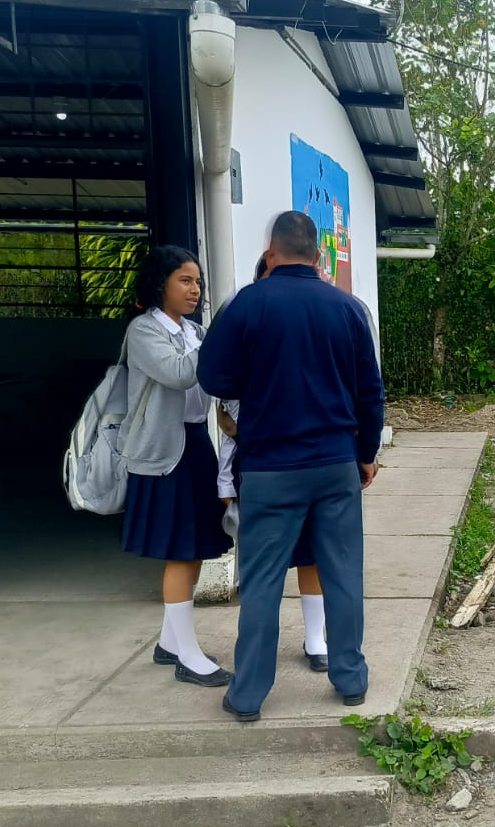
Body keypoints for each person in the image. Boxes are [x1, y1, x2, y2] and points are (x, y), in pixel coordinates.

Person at [198, 211, 385, 722]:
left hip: (270, 467)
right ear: (318, 255)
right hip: (335, 464)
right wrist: (366, 454)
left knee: (261, 582)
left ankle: (248, 695)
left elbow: (212, 377)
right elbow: (370, 391)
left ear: (270, 251)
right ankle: (350, 679)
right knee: (342, 573)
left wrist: (258, 378)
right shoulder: (348, 308)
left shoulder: (246, 304)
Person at [119, 245, 234, 688]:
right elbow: (181, 373)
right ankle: (188, 655)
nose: (195, 289)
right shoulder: (143, 331)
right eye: (185, 280)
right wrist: (221, 336)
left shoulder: (195, 331)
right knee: (182, 552)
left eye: (198, 281)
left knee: (197, 546)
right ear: (160, 283)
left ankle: (170, 642)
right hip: (163, 455)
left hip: (195, 444)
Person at [214, 253, 330, 672]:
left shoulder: (314, 331)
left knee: (312, 554)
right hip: (260, 468)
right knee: (264, 564)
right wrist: (225, 483)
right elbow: (228, 423)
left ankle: (316, 639)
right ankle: (259, 652)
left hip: (311, 462)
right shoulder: (245, 338)